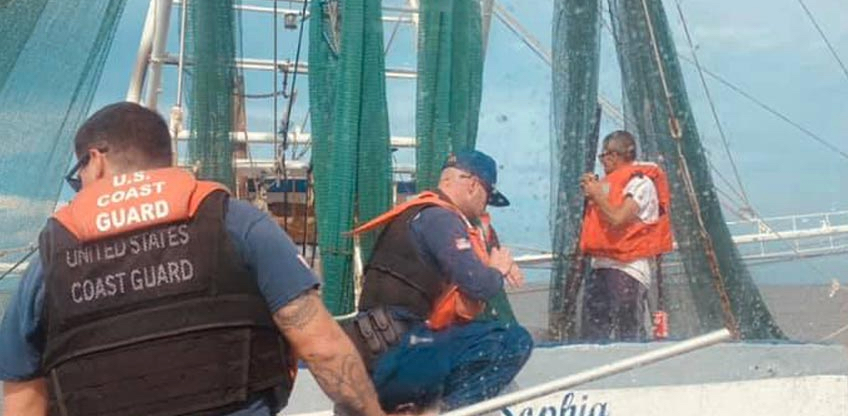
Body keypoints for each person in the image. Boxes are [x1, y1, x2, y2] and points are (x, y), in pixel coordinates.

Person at [0, 102, 385, 416]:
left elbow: (23, 395)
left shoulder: (50, 260)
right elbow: (322, 348)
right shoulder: (236, 222)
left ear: (95, 161)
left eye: (77, 173)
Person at [345, 150, 533, 412]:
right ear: (472, 185)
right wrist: (497, 270)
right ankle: (448, 410)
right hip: (401, 352)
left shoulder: (417, 213)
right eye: (487, 196)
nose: (485, 206)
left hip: (374, 354)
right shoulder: (441, 218)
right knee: (514, 340)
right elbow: (480, 284)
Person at [578, 130, 673, 341]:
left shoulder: (641, 183)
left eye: (604, 156)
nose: (602, 162)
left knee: (627, 334)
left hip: (628, 270)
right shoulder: (606, 184)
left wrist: (597, 195)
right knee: (593, 334)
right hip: (600, 268)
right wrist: (593, 192)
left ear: (614, 155)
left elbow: (619, 218)